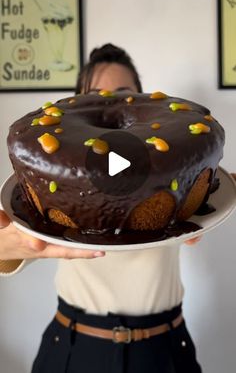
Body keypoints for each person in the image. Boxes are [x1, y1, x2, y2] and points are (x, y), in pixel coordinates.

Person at [0, 43, 234, 373]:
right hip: (73, 346)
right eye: (95, 94)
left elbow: (209, 192)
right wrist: (7, 244)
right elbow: (10, 249)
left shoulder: (169, 170)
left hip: (164, 348)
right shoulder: (58, 168)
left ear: (141, 100)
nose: (109, 100)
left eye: (124, 93)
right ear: (78, 103)